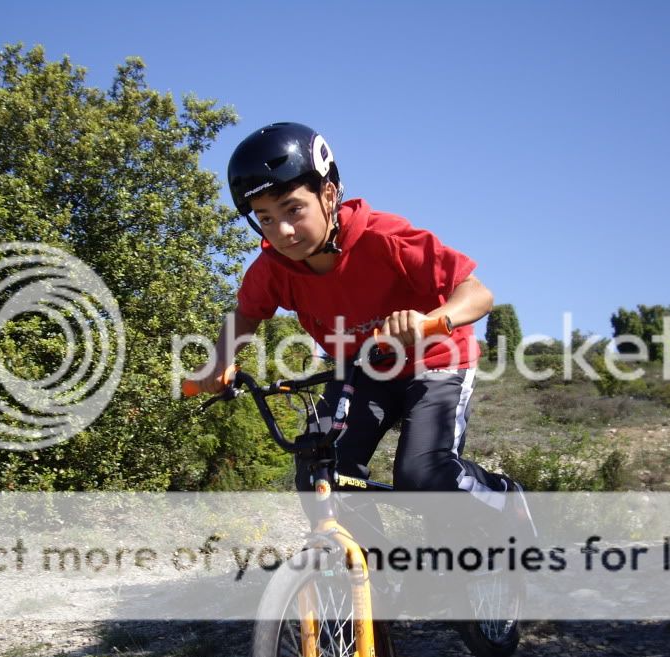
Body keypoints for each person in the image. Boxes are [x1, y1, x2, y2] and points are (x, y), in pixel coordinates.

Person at [191, 122, 535, 543]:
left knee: (422, 474)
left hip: (436, 362)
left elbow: (477, 295)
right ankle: (372, 582)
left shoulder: (384, 237)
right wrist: (220, 360)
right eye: (265, 218)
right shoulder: (273, 270)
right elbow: (245, 316)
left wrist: (432, 319)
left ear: (329, 194)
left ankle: (505, 500)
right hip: (362, 371)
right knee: (320, 468)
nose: (282, 231)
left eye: (292, 209)